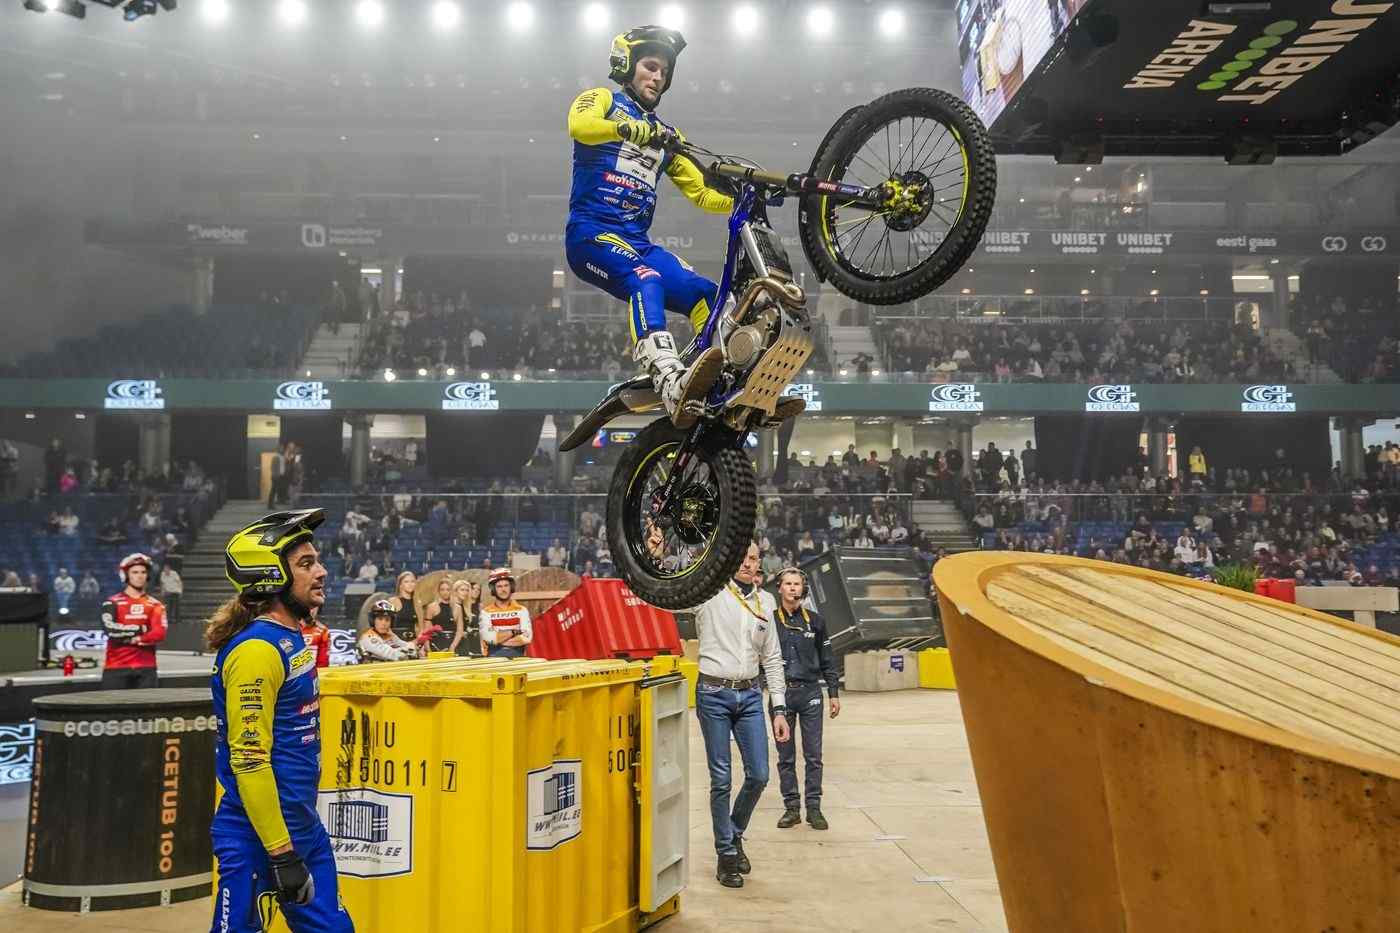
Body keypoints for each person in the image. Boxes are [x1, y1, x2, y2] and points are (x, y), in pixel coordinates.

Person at [566, 26, 790, 428]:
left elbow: (701, 193)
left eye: (664, 73)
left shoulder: (667, 135)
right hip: (591, 234)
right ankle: (668, 378)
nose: (658, 77)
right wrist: (623, 129)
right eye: (651, 67)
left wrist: (744, 200)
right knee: (646, 279)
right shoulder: (602, 100)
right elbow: (579, 126)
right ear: (627, 65)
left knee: (708, 294)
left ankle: (727, 384)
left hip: (637, 243)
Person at [205, 508, 354, 932]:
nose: (321, 572)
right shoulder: (256, 651)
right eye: (306, 564)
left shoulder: (290, 637)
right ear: (271, 577)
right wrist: (282, 853)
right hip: (259, 838)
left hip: (301, 826)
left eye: (316, 561)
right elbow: (249, 760)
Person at [693, 541, 789, 889]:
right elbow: (666, 595)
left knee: (760, 775)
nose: (749, 563)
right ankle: (726, 854)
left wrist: (778, 707)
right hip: (713, 693)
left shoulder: (766, 602)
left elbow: (772, 657)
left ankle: (733, 834)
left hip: (749, 694)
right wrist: (655, 557)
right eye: (743, 557)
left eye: (754, 558)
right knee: (721, 778)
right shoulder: (708, 592)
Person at [770, 568, 841, 832]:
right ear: (779, 588)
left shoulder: (816, 621)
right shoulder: (769, 621)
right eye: (788, 584)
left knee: (814, 755)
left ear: (803, 588)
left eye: (797, 584)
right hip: (781, 695)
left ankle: (814, 808)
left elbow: (828, 659)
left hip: (811, 693)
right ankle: (791, 808)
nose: (792, 588)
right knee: (785, 756)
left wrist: (833, 692)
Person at [100, 553, 167, 689]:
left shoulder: (156, 605)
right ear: (126, 575)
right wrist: (141, 629)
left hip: (146, 668)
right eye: (135, 572)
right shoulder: (111, 602)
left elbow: (159, 633)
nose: (140, 576)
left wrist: (133, 639)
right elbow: (110, 631)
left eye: (143, 572)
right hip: (116, 667)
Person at [479, 568, 532, 658]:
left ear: (511, 587)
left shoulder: (522, 610)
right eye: (499, 586)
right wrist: (514, 632)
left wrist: (499, 640)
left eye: (506, 585)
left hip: (518, 658)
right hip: (493, 659)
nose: (503, 589)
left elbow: (527, 638)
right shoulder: (486, 612)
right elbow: (489, 638)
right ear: (493, 589)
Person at [422, 577, 464, 654]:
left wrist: (453, 646)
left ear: (451, 591)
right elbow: (427, 631)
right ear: (438, 591)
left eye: (448, 589)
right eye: (442, 589)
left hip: (453, 643)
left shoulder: (457, 608)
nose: (445, 592)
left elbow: (459, 631)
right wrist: (428, 648)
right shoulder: (431, 607)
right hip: (436, 643)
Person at [389, 570, 419, 643]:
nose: (410, 584)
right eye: (406, 582)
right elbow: (386, 625)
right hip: (396, 640)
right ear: (400, 585)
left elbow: (419, 627)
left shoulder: (418, 603)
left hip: (413, 641)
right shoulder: (393, 601)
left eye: (412, 581)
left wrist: (416, 642)